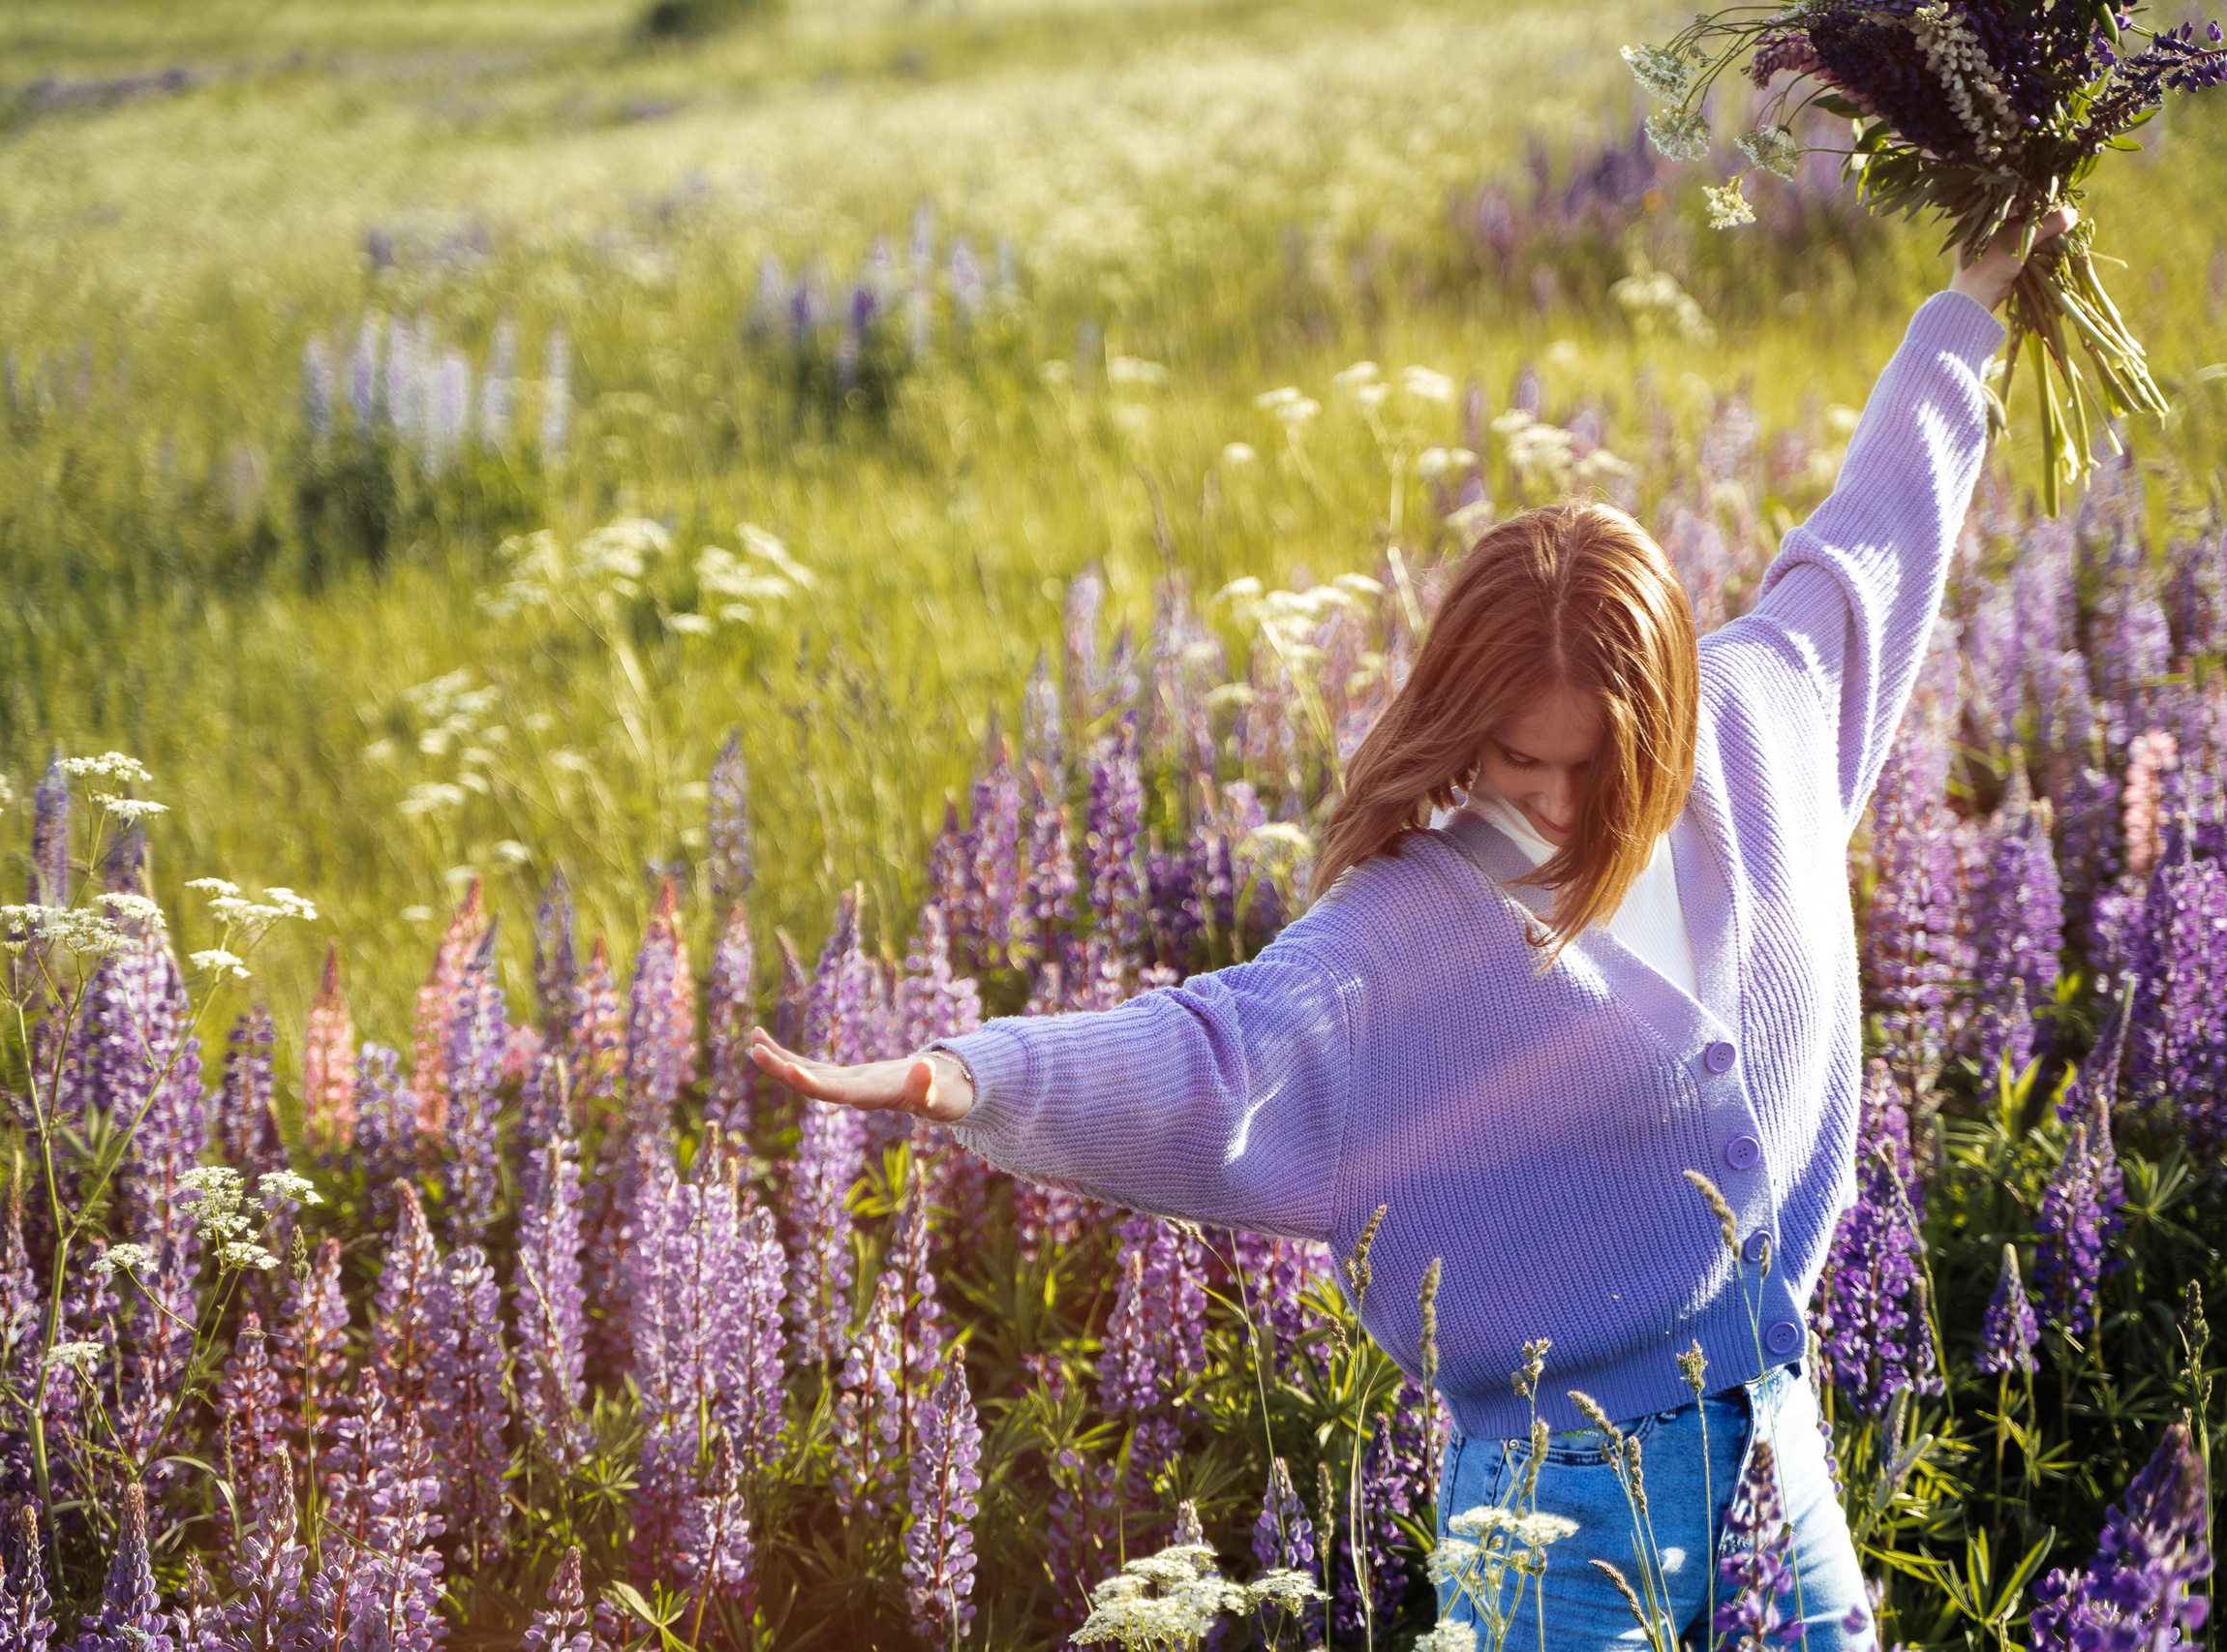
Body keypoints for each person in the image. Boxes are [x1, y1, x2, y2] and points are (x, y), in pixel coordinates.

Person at [751, 211, 2072, 1648]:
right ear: (1460, 717)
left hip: (1778, 1459)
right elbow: (1220, 1049)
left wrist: (1966, 313)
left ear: (1671, 716)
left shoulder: (1765, 729)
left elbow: (1866, 544)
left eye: (1595, 760)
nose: (1555, 799)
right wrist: (969, 1072)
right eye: (1515, 755)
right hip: (1552, 1522)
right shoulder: (1408, 925)